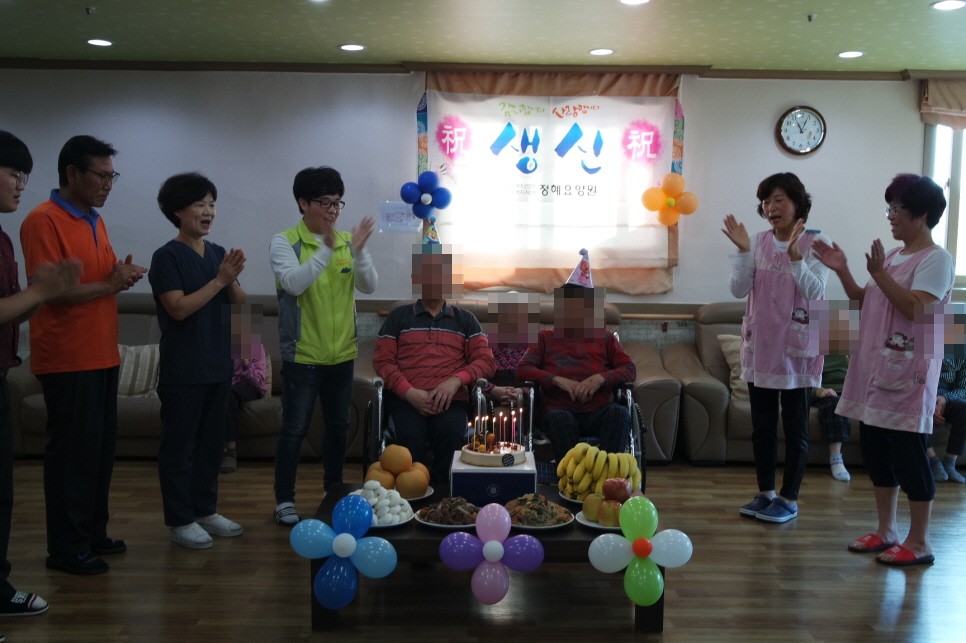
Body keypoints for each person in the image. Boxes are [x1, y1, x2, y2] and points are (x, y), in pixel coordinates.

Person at [20, 135, 146, 575]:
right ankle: (66, 549)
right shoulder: (43, 220)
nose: (108, 184)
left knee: (97, 454)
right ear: (72, 173)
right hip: (68, 357)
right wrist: (110, 284)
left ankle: (92, 533)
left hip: (101, 354)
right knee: (72, 458)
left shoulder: (95, 219)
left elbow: (96, 280)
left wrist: (118, 275)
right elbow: (50, 293)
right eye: (101, 175)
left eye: (113, 176)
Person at [814, 173, 953, 567]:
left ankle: (919, 541)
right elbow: (865, 301)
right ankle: (886, 530)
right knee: (876, 452)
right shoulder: (892, 257)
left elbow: (916, 309)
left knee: (909, 456)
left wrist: (878, 274)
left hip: (909, 373)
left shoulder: (937, 259)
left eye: (897, 208)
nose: (890, 215)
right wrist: (843, 270)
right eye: (888, 208)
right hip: (874, 369)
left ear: (921, 214)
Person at [0, 131, 80, 617]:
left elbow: (14, 311)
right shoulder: (38, 221)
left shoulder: (4, 239)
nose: (21, 185)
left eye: (25, 176)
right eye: (14, 173)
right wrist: (41, 292)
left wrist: (40, 293)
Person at [270, 166, 376, 526]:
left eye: (337, 203)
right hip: (302, 354)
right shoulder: (285, 242)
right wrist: (325, 251)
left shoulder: (347, 242)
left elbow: (369, 285)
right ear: (304, 203)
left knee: (338, 427)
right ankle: (284, 499)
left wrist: (359, 251)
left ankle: (334, 490)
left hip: (341, 353)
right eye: (326, 203)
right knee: (294, 428)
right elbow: (294, 284)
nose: (333, 211)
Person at [722, 172, 829, 524]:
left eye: (779, 199)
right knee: (762, 427)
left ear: (797, 204)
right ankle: (766, 493)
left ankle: (789, 498)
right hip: (762, 348)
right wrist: (742, 251)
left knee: (796, 428)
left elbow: (815, 292)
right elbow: (739, 290)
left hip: (798, 350)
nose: (771, 207)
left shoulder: (817, 242)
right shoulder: (757, 242)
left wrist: (796, 257)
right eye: (766, 202)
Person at [150, 172, 246, 549]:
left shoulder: (218, 252)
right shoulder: (166, 256)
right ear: (177, 211)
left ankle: (205, 510)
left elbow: (240, 306)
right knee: (179, 447)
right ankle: (180, 520)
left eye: (212, 204)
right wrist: (220, 280)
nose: (209, 212)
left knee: (211, 445)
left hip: (218, 365)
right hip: (183, 368)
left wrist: (232, 278)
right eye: (199, 204)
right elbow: (177, 308)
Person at [373, 244, 496, 487]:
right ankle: (414, 497)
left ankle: (442, 497)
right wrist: (409, 392)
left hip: (451, 402)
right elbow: (382, 361)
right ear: (416, 278)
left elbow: (486, 361)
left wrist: (455, 381)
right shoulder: (398, 318)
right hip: (406, 401)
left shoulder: (466, 320)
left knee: (451, 436)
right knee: (409, 440)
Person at [516, 281, 636, 467]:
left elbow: (629, 369)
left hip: (600, 408)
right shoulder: (544, 338)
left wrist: (600, 379)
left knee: (620, 414)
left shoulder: (606, 338)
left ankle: (607, 474)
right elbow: (523, 368)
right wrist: (556, 380)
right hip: (559, 409)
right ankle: (571, 477)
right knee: (560, 420)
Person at [221, 310, 270, 474]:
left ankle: (230, 451)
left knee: (229, 395)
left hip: (251, 387)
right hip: (227, 387)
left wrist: (246, 364)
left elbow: (259, 382)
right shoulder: (222, 346)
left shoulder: (255, 345)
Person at [811, 353, 852, 481]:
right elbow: (804, 380)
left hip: (850, 392)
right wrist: (820, 391)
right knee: (835, 403)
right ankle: (836, 459)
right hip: (824, 392)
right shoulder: (814, 350)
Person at [926, 357, 966, 483]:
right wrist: (929, 404)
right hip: (922, 397)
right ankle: (933, 461)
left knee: (963, 409)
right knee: (915, 410)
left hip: (947, 398)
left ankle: (949, 463)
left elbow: (963, 388)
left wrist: (944, 398)